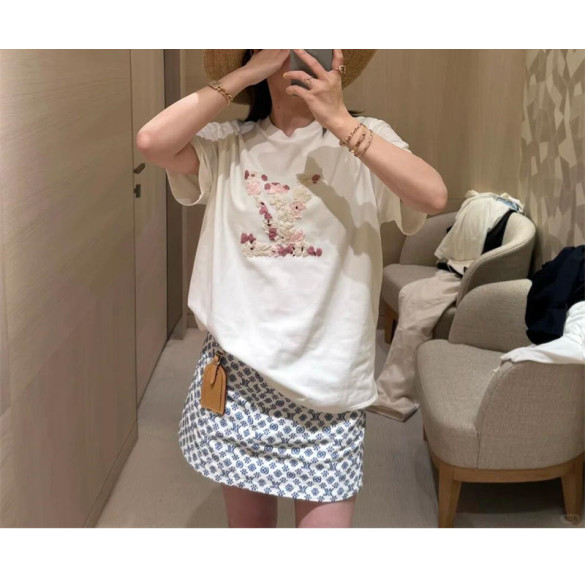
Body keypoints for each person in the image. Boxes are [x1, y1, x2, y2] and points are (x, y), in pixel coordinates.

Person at [137, 49, 447, 528]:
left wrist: (338, 120)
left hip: (329, 383)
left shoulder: (365, 139)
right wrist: (245, 74)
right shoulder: (228, 144)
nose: (304, 50)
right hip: (240, 377)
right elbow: (152, 141)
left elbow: (432, 195)